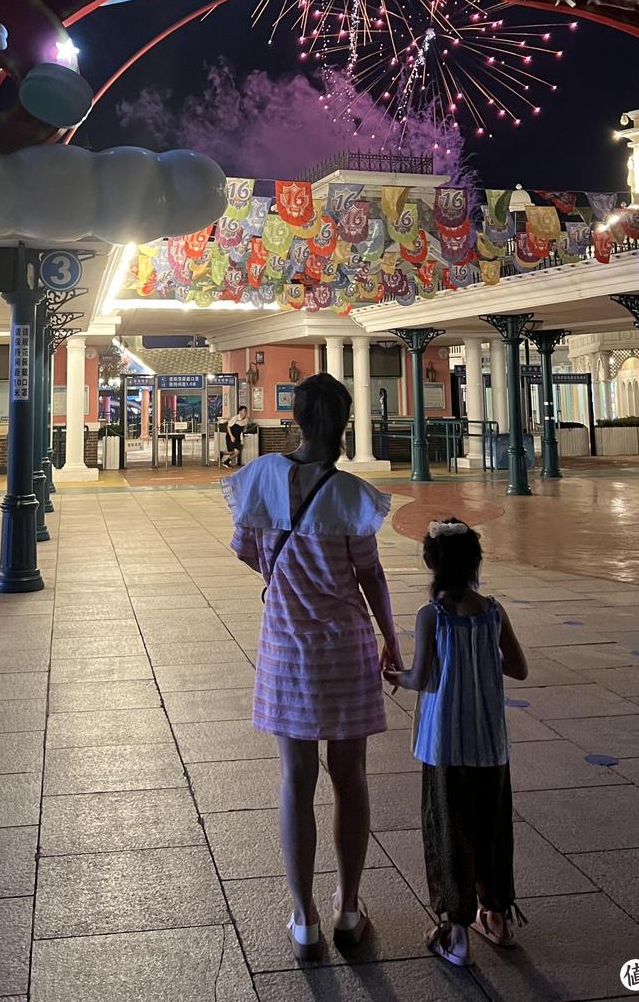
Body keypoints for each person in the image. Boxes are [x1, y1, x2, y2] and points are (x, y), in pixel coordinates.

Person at [222, 373, 402, 962]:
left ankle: (303, 921)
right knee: (349, 779)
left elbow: (250, 553)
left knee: (296, 780)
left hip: (286, 650)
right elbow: (370, 577)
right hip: (345, 649)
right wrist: (391, 639)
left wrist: (287, 582)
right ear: (345, 422)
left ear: (296, 419)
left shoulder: (261, 479)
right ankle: (349, 909)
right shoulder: (353, 494)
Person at [384, 519, 528, 966]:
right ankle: (499, 918)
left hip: (444, 745)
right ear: (475, 563)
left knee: (448, 831)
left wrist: (393, 674)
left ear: (430, 562)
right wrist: (481, 659)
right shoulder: (494, 612)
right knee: (492, 830)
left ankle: (456, 931)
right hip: (490, 745)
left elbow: (420, 677)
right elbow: (519, 668)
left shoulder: (433, 615)